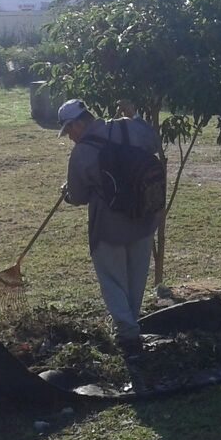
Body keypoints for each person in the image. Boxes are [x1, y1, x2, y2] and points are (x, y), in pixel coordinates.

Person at [57, 98, 162, 353]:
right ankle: (130, 325)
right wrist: (135, 117)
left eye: (69, 130)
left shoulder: (82, 150)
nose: (70, 137)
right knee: (136, 279)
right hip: (144, 219)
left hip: (108, 227)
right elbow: (155, 143)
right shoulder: (127, 127)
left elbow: (79, 196)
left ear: (78, 124)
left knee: (113, 280)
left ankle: (127, 335)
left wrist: (66, 193)